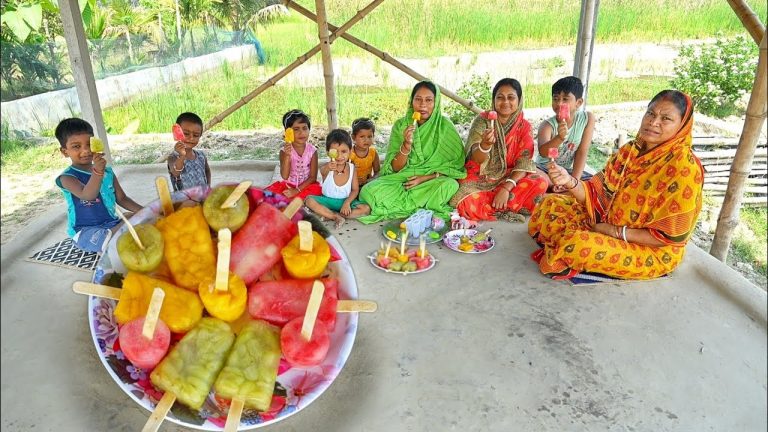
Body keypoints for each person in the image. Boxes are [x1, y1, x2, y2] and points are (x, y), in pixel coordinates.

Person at [528, 90, 703, 280]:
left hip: (648, 248)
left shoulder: (684, 169)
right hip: (605, 221)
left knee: (576, 245)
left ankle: (572, 245)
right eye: (650, 113)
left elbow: (667, 237)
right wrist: (569, 181)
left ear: (682, 126)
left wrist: (613, 231)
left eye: (666, 118)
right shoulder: (630, 151)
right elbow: (594, 193)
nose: (653, 122)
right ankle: (575, 242)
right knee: (549, 204)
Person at [359, 81, 466, 223]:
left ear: (436, 103)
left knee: (450, 185)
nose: (423, 105)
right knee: (368, 191)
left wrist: (424, 178)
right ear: (411, 102)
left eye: (429, 100)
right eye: (418, 99)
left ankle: (403, 207)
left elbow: (455, 167)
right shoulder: (401, 125)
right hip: (403, 180)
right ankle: (421, 208)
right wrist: (406, 146)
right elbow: (395, 169)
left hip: (431, 181)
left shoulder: (445, 126)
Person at [449, 78, 548, 222]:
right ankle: (510, 206)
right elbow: (475, 158)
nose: (505, 102)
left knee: (540, 182)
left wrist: (506, 188)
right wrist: (485, 146)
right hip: (481, 175)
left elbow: (524, 164)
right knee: (464, 199)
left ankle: (494, 205)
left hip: (509, 175)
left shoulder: (524, 126)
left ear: (519, 100)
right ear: (494, 100)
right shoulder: (482, 121)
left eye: (511, 97)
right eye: (500, 97)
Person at [55, 118, 143, 253]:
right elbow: (88, 195)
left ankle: (117, 234)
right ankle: (115, 238)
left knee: (139, 218)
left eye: (89, 144)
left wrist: (147, 211)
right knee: (108, 238)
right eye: (76, 146)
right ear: (65, 152)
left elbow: (122, 199)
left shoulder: (107, 172)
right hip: (85, 231)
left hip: (112, 223)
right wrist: (97, 172)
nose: (86, 150)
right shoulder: (67, 177)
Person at [534, 76, 596, 191]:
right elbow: (543, 152)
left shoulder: (587, 119)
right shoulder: (547, 126)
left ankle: (561, 187)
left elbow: (582, 152)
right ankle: (556, 186)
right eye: (556, 98)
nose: (559, 103)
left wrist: (573, 182)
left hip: (567, 172)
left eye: (565, 99)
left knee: (595, 183)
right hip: (545, 169)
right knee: (533, 173)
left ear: (578, 103)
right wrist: (559, 138)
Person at [305, 129, 371, 228]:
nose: (339, 156)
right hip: (327, 201)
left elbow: (355, 190)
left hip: (345, 202)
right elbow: (323, 171)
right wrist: (328, 167)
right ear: (328, 153)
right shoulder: (326, 167)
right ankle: (334, 216)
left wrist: (347, 203)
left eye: (344, 151)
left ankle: (332, 215)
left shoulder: (352, 168)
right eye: (335, 152)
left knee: (366, 209)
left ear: (350, 151)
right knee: (309, 200)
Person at [266, 109, 322, 199]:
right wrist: (287, 156)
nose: (301, 132)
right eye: (296, 129)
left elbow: (312, 177)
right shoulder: (284, 151)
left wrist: (297, 190)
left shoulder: (312, 151)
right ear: (288, 132)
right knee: (270, 195)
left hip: (306, 186)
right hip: (288, 186)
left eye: (305, 128)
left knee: (317, 191)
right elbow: (285, 176)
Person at [167, 112, 211, 192]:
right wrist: (182, 156)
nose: (191, 138)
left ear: (200, 136)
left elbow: (207, 171)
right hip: (183, 199)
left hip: (202, 197)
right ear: (176, 133)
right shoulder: (173, 157)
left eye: (196, 135)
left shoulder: (201, 156)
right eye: (186, 134)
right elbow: (175, 173)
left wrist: (208, 186)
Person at [349, 117, 381, 186]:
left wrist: (372, 179)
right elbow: (344, 172)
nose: (366, 140)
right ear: (353, 137)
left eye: (369, 136)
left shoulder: (373, 153)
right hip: (352, 185)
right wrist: (354, 181)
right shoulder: (349, 153)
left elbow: (377, 171)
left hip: (368, 185)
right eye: (362, 136)